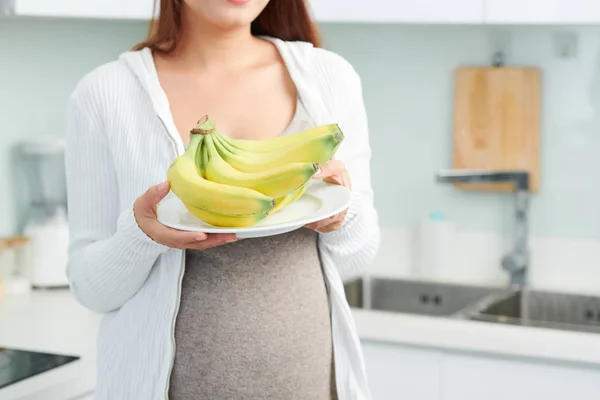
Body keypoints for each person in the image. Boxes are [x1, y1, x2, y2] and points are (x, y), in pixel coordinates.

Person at [64, 0, 380, 398]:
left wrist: (342, 215)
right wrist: (140, 236)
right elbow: (91, 289)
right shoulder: (106, 94)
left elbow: (357, 257)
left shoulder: (329, 77)